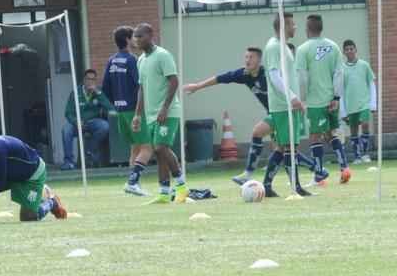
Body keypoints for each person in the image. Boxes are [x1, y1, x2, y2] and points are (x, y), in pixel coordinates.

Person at [183, 46, 321, 185]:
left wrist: (300, 101)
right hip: (274, 113)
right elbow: (220, 78)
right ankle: (316, 171)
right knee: (282, 150)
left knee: (260, 133)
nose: (247, 60)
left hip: (285, 112)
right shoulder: (244, 74)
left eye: (251, 57)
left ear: (259, 60)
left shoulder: (268, 74)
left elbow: (289, 84)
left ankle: (250, 174)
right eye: (246, 57)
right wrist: (197, 86)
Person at [130, 22, 189, 204]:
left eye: (140, 36)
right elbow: (142, 89)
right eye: (135, 37)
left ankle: (181, 185)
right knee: (159, 153)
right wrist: (138, 114)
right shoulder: (141, 60)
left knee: (160, 147)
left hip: (168, 112)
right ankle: (164, 192)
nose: (137, 40)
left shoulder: (162, 55)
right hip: (150, 114)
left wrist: (164, 108)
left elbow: (174, 81)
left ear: (150, 35)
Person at [261, 12, 313, 198]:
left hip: (286, 105)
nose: (296, 27)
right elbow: (274, 76)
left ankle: (266, 185)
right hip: (283, 105)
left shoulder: (281, 46)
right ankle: (296, 187)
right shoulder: (274, 47)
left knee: (283, 147)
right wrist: (291, 97)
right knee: (290, 147)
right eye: (292, 24)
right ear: (284, 26)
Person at [295, 14, 350, 185]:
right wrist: (336, 97)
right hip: (331, 99)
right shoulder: (333, 46)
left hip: (315, 101)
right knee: (331, 133)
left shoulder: (303, 49)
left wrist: (302, 99)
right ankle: (344, 167)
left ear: (308, 28)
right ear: (321, 28)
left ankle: (318, 174)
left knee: (315, 137)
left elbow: (302, 77)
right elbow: (339, 73)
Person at [100, 26, 151, 195]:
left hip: (120, 111)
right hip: (134, 110)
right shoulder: (132, 60)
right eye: (134, 37)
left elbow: (105, 88)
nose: (136, 40)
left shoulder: (111, 60)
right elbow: (140, 86)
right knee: (147, 147)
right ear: (128, 40)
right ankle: (132, 181)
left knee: (134, 148)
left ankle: (134, 185)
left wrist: (115, 104)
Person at [62, 68, 114, 170]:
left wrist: (98, 94)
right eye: (88, 79)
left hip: (92, 123)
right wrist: (75, 121)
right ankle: (69, 162)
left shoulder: (98, 93)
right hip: (77, 123)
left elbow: (110, 108)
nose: (90, 82)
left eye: (93, 79)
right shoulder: (76, 93)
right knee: (66, 130)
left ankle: (89, 151)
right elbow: (68, 113)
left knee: (105, 126)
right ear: (84, 80)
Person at [339, 39, 376, 163]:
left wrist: (373, 103)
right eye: (347, 49)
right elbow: (341, 90)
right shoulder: (342, 69)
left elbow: (371, 83)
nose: (349, 51)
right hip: (350, 105)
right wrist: (343, 111)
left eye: (351, 48)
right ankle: (357, 156)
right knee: (353, 130)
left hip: (364, 102)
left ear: (355, 50)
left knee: (365, 124)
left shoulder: (364, 65)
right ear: (344, 52)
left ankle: (365, 153)